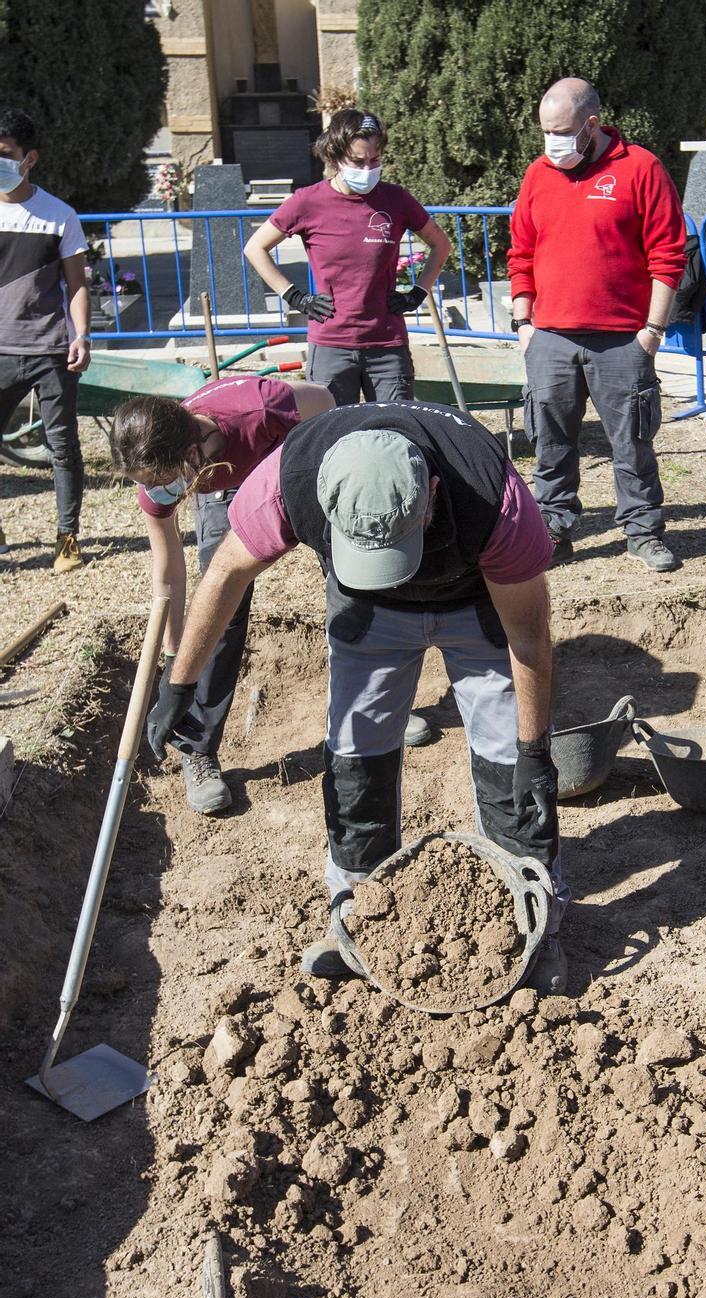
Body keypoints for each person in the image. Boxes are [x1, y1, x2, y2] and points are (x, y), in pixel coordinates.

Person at [144, 400, 568, 992]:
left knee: (508, 765)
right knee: (354, 756)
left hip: (477, 604)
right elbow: (226, 574)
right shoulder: (289, 477)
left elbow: (527, 635)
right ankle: (360, 917)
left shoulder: (492, 496)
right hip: (368, 610)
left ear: (432, 495)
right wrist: (179, 681)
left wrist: (533, 751)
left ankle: (531, 920)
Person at [108, 374, 428, 815]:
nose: (160, 492)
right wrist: (173, 661)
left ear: (190, 452)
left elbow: (323, 401)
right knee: (220, 605)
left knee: (353, 580)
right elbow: (168, 577)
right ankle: (199, 748)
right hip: (225, 485)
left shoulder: (257, 409)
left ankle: (378, 708)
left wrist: (320, 472)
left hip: (296, 461)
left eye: (164, 480)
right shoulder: (161, 470)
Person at [509, 77, 687, 574]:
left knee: (631, 442)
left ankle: (643, 532)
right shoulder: (538, 175)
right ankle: (554, 528)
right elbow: (520, 252)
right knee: (550, 443)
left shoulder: (641, 169)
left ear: (591, 124)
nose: (552, 142)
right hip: (550, 337)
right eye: (545, 131)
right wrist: (523, 323)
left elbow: (668, 255)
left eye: (562, 131)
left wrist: (652, 330)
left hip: (622, 341)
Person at [244, 108, 451, 407]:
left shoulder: (397, 199)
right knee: (333, 434)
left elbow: (440, 245)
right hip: (331, 344)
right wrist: (295, 297)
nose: (367, 169)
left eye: (374, 160)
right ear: (336, 156)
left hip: (387, 344)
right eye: (357, 161)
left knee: (394, 430)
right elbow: (255, 248)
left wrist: (417, 293)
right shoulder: (308, 201)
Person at [0, 106, 89, 572]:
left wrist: (82, 335)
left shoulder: (58, 215)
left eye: (5, 154)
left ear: (28, 158)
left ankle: (67, 537)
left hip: (49, 349)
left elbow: (77, 284)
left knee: (63, 446)